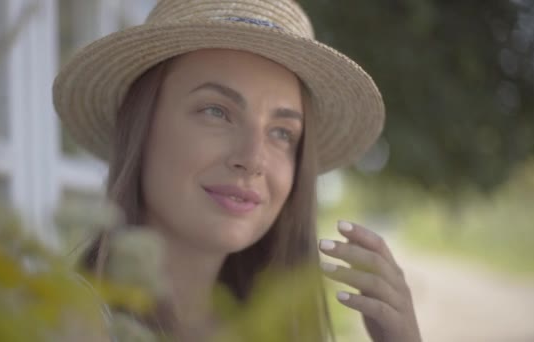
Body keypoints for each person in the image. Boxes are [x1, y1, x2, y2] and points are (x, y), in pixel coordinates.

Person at [53, 0, 421, 341]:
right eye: (217, 111)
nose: (254, 159)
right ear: (141, 127)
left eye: (282, 133)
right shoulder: (55, 324)